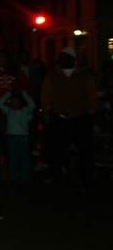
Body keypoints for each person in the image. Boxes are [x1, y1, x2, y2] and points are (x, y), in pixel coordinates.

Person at [41, 47, 98, 186]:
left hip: (80, 116)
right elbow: (46, 93)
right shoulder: (52, 75)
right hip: (59, 116)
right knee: (56, 149)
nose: (62, 60)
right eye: (61, 57)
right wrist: (49, 109)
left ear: (73, 59)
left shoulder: (84, 76)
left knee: (85, 149)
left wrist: (90, 111)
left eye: (65, 57)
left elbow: (91, 94)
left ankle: (87, 178)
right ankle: (56, 176)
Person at [0, 91, 36, 181]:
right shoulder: (9, 111)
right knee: (12, 157)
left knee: (24, 157)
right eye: (12, 101)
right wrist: (8, 94)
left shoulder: (25, 111)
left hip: (23, 137)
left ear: (21, 103)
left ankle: (27, 175)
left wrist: (24, 94)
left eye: (16, 101)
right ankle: (13, 175)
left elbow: (32, 105)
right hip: (11, 137)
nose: (14, 103)